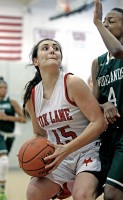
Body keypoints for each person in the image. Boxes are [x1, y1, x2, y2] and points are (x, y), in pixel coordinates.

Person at [22, 38, 107, 200]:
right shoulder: (32, 97)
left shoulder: (72, 83)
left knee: (81, 195)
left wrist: (67, 149)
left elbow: (99, 122)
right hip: (60, 155)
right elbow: (40, 134)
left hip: (88, 151)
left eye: (56, 48)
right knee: (33, 192)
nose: (52, 50)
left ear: (60, 58)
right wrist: (37, 157)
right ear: (35, 61)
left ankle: (79, 184)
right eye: (45, 48)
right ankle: (65, 185)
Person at [92, 0, 123, 199]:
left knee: (111, 193)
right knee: (89, 191)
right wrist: (103, 105)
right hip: (106, 136)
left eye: (110, 21)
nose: (105, 24)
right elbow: (93, 103)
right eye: (103, 21)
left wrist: (96, 22)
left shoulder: (119, 53)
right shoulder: (98, 63)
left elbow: (118, 51)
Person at [0, 77, 26, 200]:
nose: (3, 90)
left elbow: (23, 119)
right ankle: (2, 191)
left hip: (10, 135)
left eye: (5, 87)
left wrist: (7, 118)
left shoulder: (12, 102)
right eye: (1, 87)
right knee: (4, 160)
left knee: (2, 161)